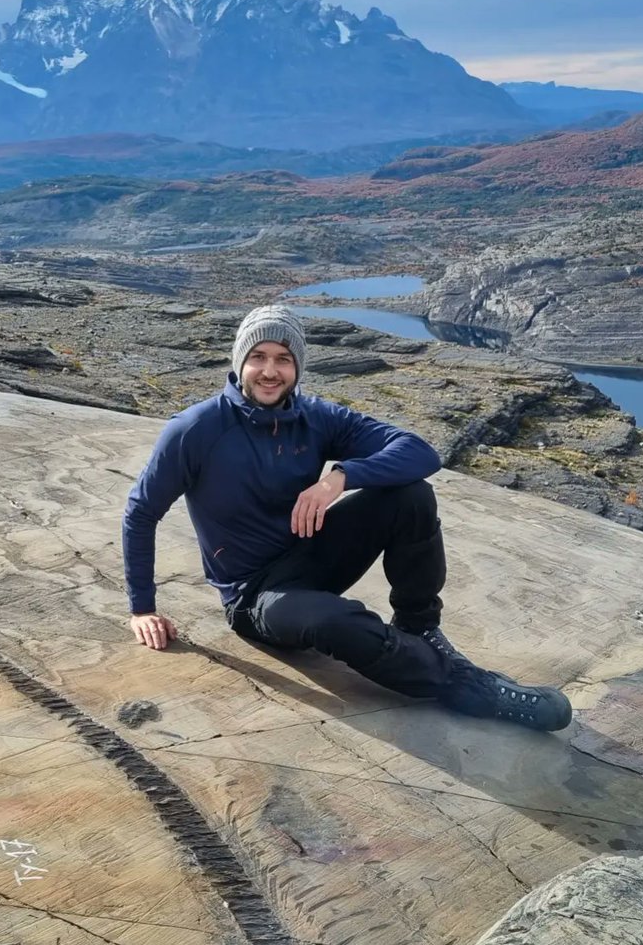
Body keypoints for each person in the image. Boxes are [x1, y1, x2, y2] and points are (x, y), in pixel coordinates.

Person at [122, 305, 571, 731]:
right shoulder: (197, 429)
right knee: (333, 622)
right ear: (240, 361)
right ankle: (469, 687)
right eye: (257, 357)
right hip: (257, 596)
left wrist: (340, 476)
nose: (270, 371)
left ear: (297, 367)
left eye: (283, 358)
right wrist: (142, 608)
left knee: (409, 495)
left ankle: (419, 627)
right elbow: (141, 512)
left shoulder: (314, 417)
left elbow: (418, 451)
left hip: (312, 555)